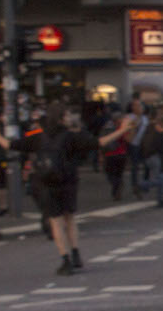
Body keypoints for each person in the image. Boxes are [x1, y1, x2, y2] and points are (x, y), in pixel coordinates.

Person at [22, 103, 133, 275]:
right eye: (66, 115)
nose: (69, 118)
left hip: (48, 182)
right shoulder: (72, 136)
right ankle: (75, 254)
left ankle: (65, 260)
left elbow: (10, 144)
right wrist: (122, 130)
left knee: (56, 222)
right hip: (69, 181)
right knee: (70, 219)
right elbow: (99, 142)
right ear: (61, 118)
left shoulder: (38, 137)